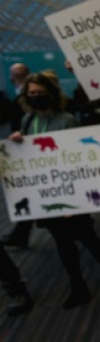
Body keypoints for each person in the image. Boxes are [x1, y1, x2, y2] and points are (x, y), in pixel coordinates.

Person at [8, 73, 100, 309]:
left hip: (71, 194)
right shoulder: (28, 120)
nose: (36, 97)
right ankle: (78, 287)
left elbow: (77, 163)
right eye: (32, 93)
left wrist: (74, 201)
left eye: (40, 93)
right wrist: (17, 141)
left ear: (52, 93)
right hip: (47, 195)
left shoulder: (66, 120)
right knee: (63, 245)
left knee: (90, 240)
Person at [1, 64, 32, 248]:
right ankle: (20, 235)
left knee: (34, 192)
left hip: (29, 152)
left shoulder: (26, 100)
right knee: (34, 193)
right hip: (24, 152)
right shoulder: (17, 101)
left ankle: (20, 236)